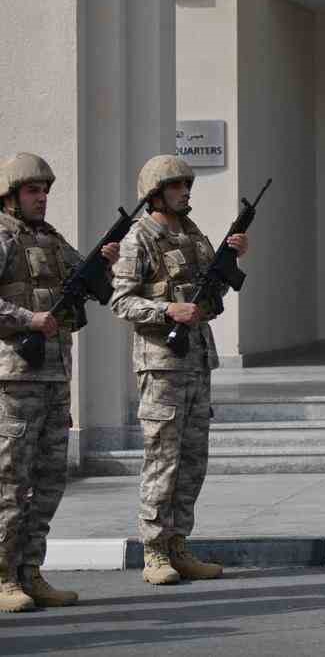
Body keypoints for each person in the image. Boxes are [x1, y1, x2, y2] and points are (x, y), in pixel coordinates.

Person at [111, 155, 249, 585]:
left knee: (192, 462)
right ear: (155, 193)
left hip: (197, 362)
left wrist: (232, 259)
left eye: (187, 185)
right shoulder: (140, 238)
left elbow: (213, 290)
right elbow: (121, 301)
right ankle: (154, 551)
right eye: (176, 186)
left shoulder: (192, 234)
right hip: (162, 367)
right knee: (162, 461)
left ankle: (178, 545)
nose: (185, 192)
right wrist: (167, 310)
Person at [0, 154, 118, 613]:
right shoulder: (3, 237)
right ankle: (4, 577)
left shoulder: (50, 239)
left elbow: (86, 277)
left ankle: (31, 571)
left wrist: (105, 262)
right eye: (33, 190)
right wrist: (28, 318)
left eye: (45, 190)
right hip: (15, 380)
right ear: (11, 195)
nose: (42, 197)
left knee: (49, 481)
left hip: (54, 377)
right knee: (11, 483)